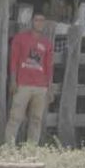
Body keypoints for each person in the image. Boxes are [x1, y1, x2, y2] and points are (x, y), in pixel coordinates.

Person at [4, 12, 55, 146]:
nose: (40, 23)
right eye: (37, 20)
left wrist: (49, 88)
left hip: (41, 86)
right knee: (15, 117)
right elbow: (13, 61)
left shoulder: (47, 43)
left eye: (42, 20)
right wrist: (13, 80)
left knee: (36, 119)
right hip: (23, 84)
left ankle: (31, 148)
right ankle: (8, 147)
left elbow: (49, 67)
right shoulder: (20, 39)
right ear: (32, 22)